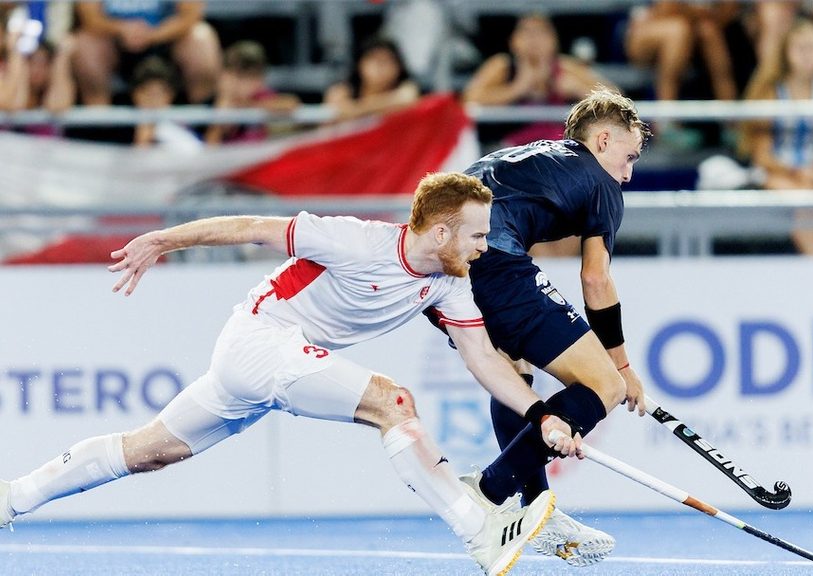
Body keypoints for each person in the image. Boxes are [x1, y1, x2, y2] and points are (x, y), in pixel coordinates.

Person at [0, 172, 587, 576]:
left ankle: (12, 497)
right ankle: (478, 531)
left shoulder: (450, 280)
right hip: (259, 342)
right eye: (479, 234)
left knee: (153, 450)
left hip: (279, 360)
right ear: (441, 232)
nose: (487, 245)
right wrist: (162, 239)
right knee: (392, 402)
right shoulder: (356, 241)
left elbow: (483, 359)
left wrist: (542, 418)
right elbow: (250, 226)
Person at [428, 87, 648, 567]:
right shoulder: (601, 183)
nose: (628, 174)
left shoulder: (528, 154)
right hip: (493, 261)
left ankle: (534, 511)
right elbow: (595, 278)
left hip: (438, 263)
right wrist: (623, 366)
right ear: (604, 139)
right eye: (629, 157)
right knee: (603, 386)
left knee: (513, 369)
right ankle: (488, 493)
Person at [741, 19, 813, 256]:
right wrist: (795, 173)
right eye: (800, 48)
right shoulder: (770, 93)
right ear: (787, 53)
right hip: (777, 169)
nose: (807, 55)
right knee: (805, 202)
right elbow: (762, 154)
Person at [462, 13, 609, 147]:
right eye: (526, 31)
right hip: (507, 151)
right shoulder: (503, 66)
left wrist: (579, 89)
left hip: (559, 150)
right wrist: (516, 89)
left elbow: (615, 98)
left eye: (541, 31)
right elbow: (469, 99)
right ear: (513, 41)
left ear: (554, 41)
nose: (534, 38)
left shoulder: (565, 67)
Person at [72, 0, 221, 106]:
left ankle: (203, 121)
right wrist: (122, 29)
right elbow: (89, 17)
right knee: (85, 43)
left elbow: (191, 16)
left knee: (201, 38)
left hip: (166, 38)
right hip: (114, 40)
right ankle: (98, 125)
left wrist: (153, 35)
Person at [205, 40, 299, 145]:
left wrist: (246, 106)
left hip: (259, 157)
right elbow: (211, 144)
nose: (247, 84)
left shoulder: (261, 95)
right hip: (229, 158)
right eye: (241, 76)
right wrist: (226, 103)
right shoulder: (218, 100)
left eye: (253, 76)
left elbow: (291, 104)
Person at [323, 35, 420, 124]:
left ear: (399, 67)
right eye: (374, 60)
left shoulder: (406, 88)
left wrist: (355, 109)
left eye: (388, 61)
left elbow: (406, 99)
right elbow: (336, 111)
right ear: (360, 65)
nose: (381, 67)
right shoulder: (342, 91)